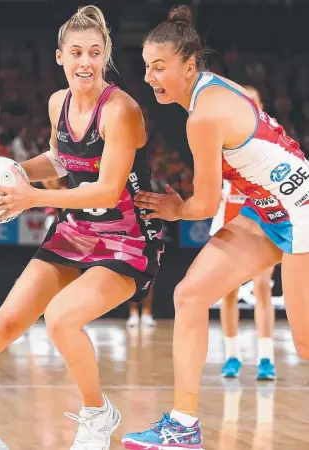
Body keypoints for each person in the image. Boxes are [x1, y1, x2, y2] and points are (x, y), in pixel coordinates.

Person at [0, 6, 163, 450]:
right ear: (60, 57)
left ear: (106, 56)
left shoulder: (122, 111)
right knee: (0, 327)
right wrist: (9, 172)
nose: (85, 62)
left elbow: (107, 192)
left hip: (127, 240)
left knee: (60, 318)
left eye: (95, 52)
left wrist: (31, 197)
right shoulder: (60, 102)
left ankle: (97, 413)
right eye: (76, 52)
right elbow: (60, 159)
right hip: (73, 232)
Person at [122, 5, 309, 450]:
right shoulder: (212, 87)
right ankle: (183, 427)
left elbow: (204, 205)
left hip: (300, 212)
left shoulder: (202, 116)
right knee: (189, 294)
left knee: (305, 347)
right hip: (266, 210)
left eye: (160, 67)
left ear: (189, 66)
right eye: (147, 66)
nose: (150, 77)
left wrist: (172, 207)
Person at [210, 86, 277, 380]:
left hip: (264, 220)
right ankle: (232, 356)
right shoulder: (221, 139)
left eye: (254, 100)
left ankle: (266, 358)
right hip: (230, 218)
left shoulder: (274, 139)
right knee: (228, 292)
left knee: (263, 287)